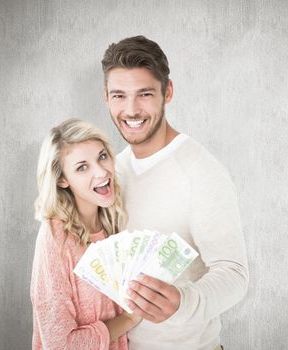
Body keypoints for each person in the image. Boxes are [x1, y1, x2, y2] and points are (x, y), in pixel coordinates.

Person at [101, 36, 249, 350]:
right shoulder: (110, 172)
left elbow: (234, 273)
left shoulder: (202, 171)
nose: (130, 109)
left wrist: (183, 302)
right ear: (106, 97)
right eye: (119, 95)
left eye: (144, 94)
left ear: (167, 92)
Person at [30, 118, 141, 349]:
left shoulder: (116, 223)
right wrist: (128, 319)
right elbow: (60, 344)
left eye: (102, 156)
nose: (102, 172)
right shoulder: (55, 236)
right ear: (62, 180)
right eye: (82, 167)